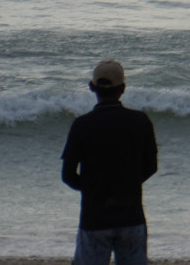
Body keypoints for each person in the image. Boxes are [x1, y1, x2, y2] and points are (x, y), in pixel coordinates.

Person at [61, 60, 159, 265]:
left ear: (92, 87)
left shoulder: (82, 125)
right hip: (131, 215)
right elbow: (151, 166)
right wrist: (129, 184)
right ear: (123, 88)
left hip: (94, 216)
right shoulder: (140, 121)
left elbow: (68, 175)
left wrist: (93, 188)